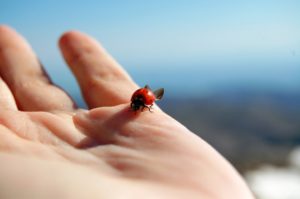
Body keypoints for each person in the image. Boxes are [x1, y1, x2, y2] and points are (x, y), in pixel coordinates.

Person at [0, 25, 254, 199]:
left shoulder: (141, 99)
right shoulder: (142, 101)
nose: (136, 108)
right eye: (138, 105)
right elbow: (144, 100)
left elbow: (143, 98)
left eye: (138, 105)